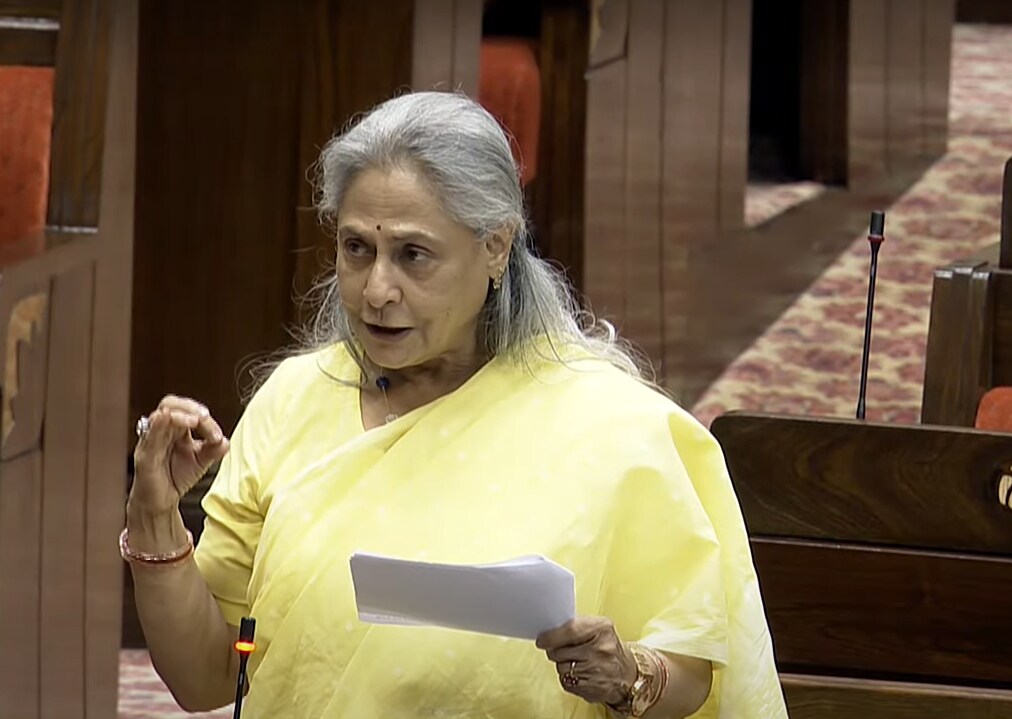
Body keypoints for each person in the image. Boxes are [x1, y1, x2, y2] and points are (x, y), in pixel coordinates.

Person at [124, 91, 788, 719]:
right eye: (357, 249)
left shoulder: (613, 426)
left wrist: (628, 676)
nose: (377, 289)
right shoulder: (294, 401)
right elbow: (206, 675)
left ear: (495, 246)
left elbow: (692, 674)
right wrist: (155, 519)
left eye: (413, 255)